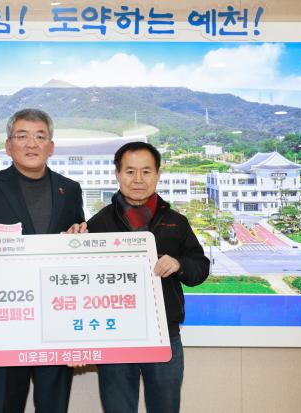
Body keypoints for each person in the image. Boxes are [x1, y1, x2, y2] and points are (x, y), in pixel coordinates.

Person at [0, 108, 85, 413]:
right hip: (6, 318)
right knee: (5, 404)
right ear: (9, 146)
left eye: (40, 136)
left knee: (53, 406)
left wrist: (79, 236)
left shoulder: (71, 190)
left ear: (51, 147)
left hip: (57, 319)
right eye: (22, 136)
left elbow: (78, 250)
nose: (31, 144)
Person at [86, 141, 210, 413]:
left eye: (146, 171)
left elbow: (200, 268)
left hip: (164, 334)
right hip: (115, 335)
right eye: (130, 171)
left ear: (158, 174)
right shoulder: (98, 223)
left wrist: (179, 264)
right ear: (118, 174)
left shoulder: (176, 221)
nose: (138, 179)